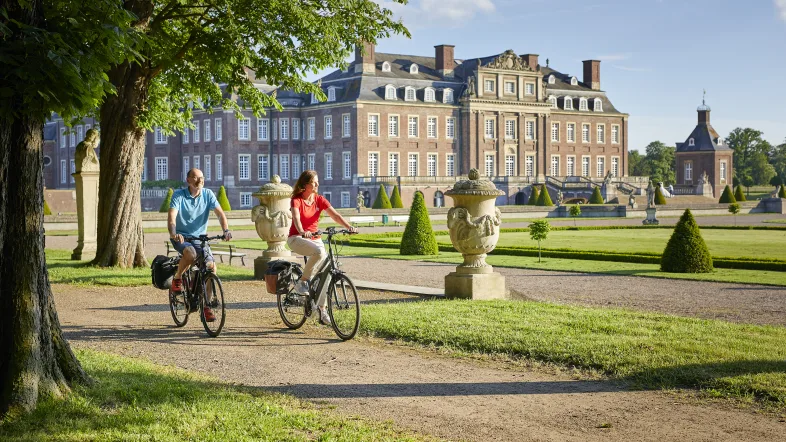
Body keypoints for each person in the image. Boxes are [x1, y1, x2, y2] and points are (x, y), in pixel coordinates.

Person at [288, 170, 357, 325]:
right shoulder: (296, 200)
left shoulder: (319, 199)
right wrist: (302, 231)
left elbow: (335, 216)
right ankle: (302, 282)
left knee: (327, 274)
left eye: (317, 181)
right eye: (314, 182)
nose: (317, 184)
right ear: (305, 185)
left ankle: (322, 309)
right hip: (297, 238)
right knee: (318, 252)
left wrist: (349, 227)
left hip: (315, 239)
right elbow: (296, 218)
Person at [168, 168, 232, 322]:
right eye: (196, 178)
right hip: (181, 238)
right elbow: (172, 217)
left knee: (211, 267)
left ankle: (207, 306)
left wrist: (226, 230)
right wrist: (174, 233)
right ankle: (177, 278)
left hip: (199, 238)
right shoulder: (179, 195)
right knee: (190, 254)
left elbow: (220, 214)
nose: (200, 181)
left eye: (202, 178)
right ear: (188, 180)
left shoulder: (208, 194)